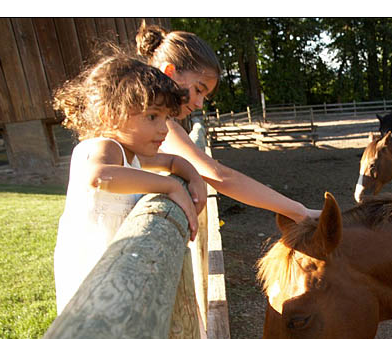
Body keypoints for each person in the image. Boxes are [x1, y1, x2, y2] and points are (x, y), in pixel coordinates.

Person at [52, 51, 206, 314]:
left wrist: (193, 175)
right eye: (152, 116)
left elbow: (171, 163)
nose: (164, 129)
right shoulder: (104, 147)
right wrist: (170, 186)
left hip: (118, 277)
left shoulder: (129, 155)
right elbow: (98, 176)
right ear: (108, 115)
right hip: (92, 284)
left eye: (167, 118)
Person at [135, 22, 321, 223]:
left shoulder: (153, 121)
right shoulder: (160, 127)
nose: (199, 104)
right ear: (169, 72)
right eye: (198, 89)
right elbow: (221, 177)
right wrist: (299, 211)